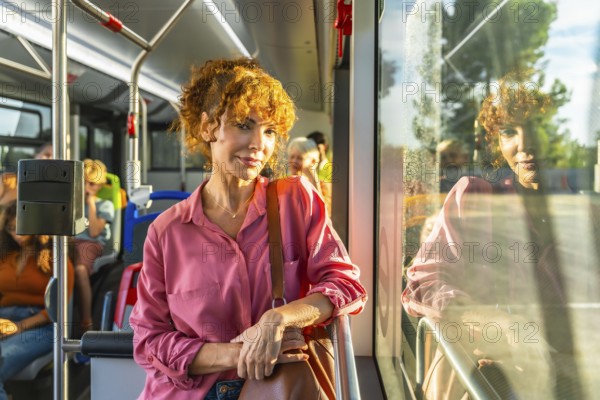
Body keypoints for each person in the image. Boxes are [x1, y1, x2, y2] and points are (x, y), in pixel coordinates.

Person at [129, 58, 367, 399]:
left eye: (269, 130)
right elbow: (149, 342)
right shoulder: (167, 231)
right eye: (244, 125)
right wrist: (239, 353)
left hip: (278, 389)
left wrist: (278, 319)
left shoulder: (295, 201)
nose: (260, 144)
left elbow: (345, 284)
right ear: (207, 128)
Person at [402, 76, 580, 399]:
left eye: (535, 127)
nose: (524, 145)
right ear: (497, 141)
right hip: (486, 371)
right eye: (509, 132)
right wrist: (487, 322)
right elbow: (422, 282)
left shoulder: (582, 214)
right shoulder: (475, 199)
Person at [0, 201, 74, 399]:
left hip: (43, 325)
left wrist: (19, 326)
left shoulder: (55, 259)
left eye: (20, 228)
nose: (16, 234)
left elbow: (58, 308)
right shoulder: (5, 256)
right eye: (11, 228)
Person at [73, 159, 114, 335]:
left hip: (91, 243)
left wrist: (90, 202)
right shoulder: (73, 202)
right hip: (70, 241)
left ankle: (86, 321)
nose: (94, 188)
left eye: (97, 184)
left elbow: (96, 231)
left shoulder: (105, 205)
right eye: (90, 183)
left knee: (80, 270)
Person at [0, 142, 53, 209]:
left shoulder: (50, 194)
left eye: (54, 159)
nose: (50, 159)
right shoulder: (9, 180)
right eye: (47, 155)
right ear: (36, 155)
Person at [306, 131, 333, 210]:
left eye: (315, 147)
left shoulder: (332, 169)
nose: (312, 151)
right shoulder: (304, 169)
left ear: (324, 147)